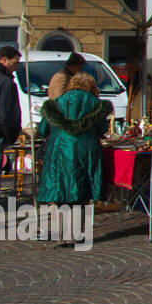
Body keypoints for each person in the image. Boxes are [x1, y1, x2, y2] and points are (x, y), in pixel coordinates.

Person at [37, 72, 111, 242]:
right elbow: (102, 129)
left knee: (61, 191)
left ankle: (61, 234)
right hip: (86, 151)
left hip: (59, 150)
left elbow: (42, 130)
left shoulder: (56, 103)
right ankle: (76, 234)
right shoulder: (96, 104)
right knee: (82, 192)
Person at [0, 46, 22, 212]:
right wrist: (11, 136)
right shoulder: (5, 82)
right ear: (4, 60)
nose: (17, 67)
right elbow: (8, 115)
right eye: (15, 63)